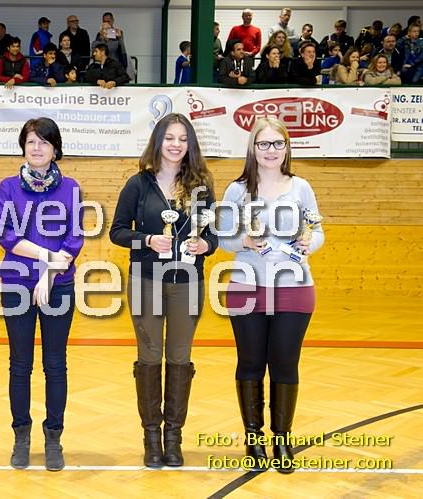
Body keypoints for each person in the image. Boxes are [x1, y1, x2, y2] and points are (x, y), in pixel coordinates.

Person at [110, 113, 217, 468]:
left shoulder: (202, 185)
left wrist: (207, 245)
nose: (176, 145)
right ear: (158, 141)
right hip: (146, 281)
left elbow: (212, 234)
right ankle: (151, 439)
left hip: (188, 283)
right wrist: (146, 240)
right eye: (169, 138)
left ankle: (174, 439)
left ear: (190, 145)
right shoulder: (138, 185)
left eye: (183, 139)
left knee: (180, 358)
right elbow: (117, 232)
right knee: (150, 356)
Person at [218, 117, 324, 474]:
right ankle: (254, 439)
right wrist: (244, 241)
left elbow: (318, 231)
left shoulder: (301, 188)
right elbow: (223, 239)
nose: (271, 150)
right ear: (253, 148)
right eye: (263, 144)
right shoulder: (237, 191)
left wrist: (310, 242)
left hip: (295, 289)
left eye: (278, 143)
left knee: (285, 364)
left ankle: (282, 440)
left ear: (287, 147)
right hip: (247, 288)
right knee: (250, 363)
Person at [0, 117, 84, 472]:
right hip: (17, 283)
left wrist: (49, 274)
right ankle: (21, 437)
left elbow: (73, 240)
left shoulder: (71, 188)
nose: (37, 148)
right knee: (20, 364)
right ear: (23, 147)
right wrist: (47, 260)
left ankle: (53, 438)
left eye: (44, 142)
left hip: (58, 285)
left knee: (55, 364)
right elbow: (8, 237)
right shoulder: (8, 187)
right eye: (31, 141)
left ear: (55, 149)